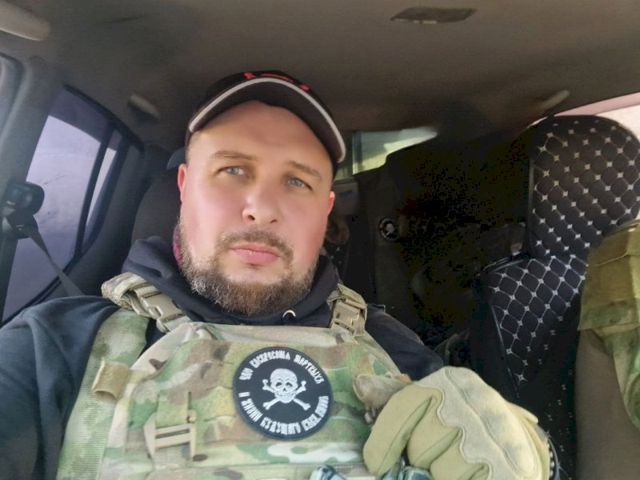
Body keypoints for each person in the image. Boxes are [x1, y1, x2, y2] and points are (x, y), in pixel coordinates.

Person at [0, 70, 550, 480]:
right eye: (233, 170)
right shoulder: (55, 345)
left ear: (325, 210)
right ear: (185, 187)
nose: (261, 209)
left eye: (296, 182)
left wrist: (528, 453)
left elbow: (482, 444)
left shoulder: (390, 345)